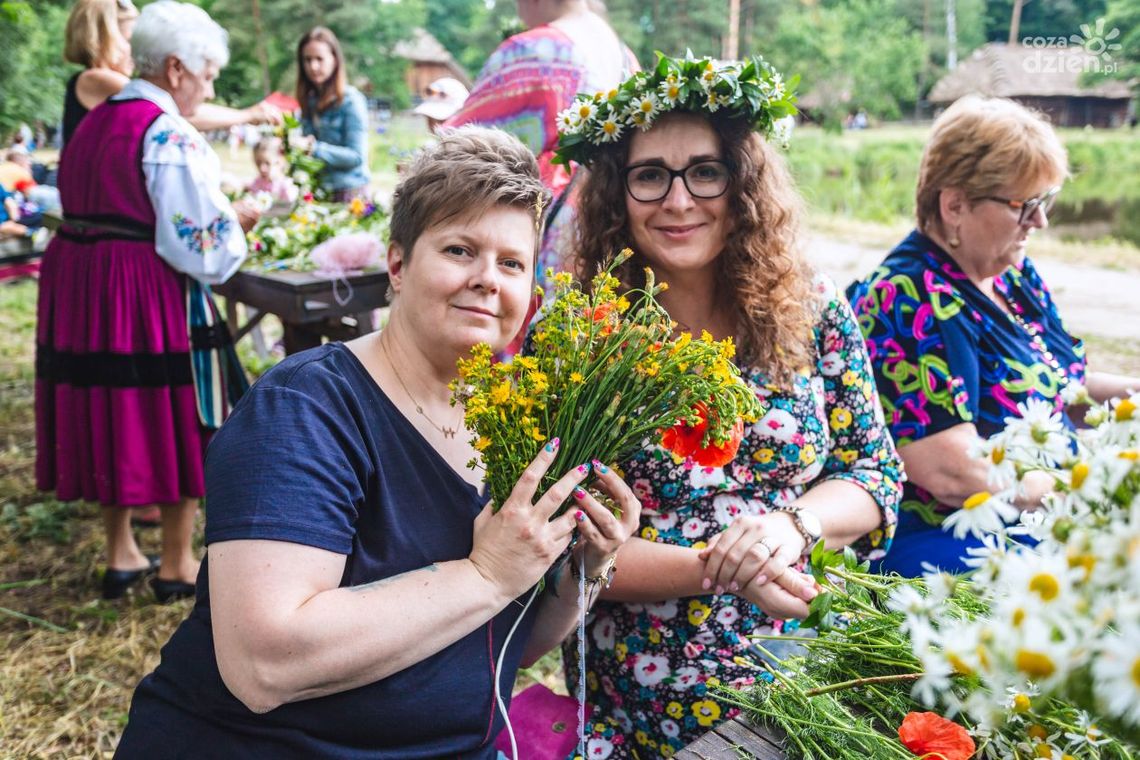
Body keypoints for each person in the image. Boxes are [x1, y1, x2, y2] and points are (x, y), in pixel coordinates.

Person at [115, 125, 641, 756]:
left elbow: (503, 641)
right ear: (397, 264)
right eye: (458, 250)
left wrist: (581, 570)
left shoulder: (518, 420)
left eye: (511, 263)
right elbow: (263, 664)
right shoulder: (306, 406)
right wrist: (486, 574)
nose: (487, 279)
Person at [548, 55, 903, 757]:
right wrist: (730, 567)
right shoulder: (580, 339)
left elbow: (874, 475)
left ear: (742, 184)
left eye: (704, 171)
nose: (678, 202)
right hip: (651, 686)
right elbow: (564, 544)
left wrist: (791, 528)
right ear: (616, 195)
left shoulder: (812, 309)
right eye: (650, 175)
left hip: (820, 656)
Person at [847, 96, 1140, 576]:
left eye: (1044, 202)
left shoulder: (1009, 274)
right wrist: (1087, 491)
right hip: (954, 540)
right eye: (1024, 206)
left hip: (1035, 515)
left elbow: (1062, 382)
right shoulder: (905, 298)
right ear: (955, 205)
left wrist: (1133, 398)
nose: (1040, 222)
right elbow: (952, 471)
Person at [36, 1, 257, 602]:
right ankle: (178, 561)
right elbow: (201, 246)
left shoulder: (97, 120)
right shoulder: (166, 132)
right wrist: (239, 222)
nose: (209, 86)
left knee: (110, 403)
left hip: (84, 283)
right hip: (142, 286)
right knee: (173, 406)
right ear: (178, 68)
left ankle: (120, 552)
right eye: (208, 74)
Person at [446, 0, 639, 355]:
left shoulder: (534, 51)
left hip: (542, 235)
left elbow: (455, 152)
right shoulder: (623, 56)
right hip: (609, 229)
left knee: (516, 373)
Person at [61, 0, 282, 150]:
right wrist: (247, 115)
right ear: (102, 37)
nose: (136, 52)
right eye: (131, 41)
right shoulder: (96, 78)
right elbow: (172, 113)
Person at [293, 27, 370, 201]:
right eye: (307, 60)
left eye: (320, 59)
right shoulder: (309, 101)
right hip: (318, 190)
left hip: (351, 193)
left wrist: (314, 148)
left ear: (335, 60)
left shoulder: (351, 101)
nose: (313, 66)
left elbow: (356, 157)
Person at [245, 136, 297, 204]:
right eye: (258, 163)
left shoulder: (285, 186)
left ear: (279, 162)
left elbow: (288, 209)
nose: (262, 168)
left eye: (267, 163)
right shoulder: (257, 183)